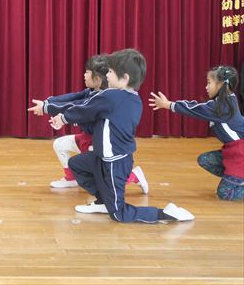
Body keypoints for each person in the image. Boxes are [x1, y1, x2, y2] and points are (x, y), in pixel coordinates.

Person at [49, 49, 194, 223]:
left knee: (119, 214)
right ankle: (103, 201)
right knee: (76, 164)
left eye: (110, 72)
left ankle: (165, 213)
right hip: (104, 158)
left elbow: (85, 108)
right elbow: (91, 111)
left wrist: (62, 118)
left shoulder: (111, 96)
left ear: (124, 78)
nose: (107, 75)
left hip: (114, 163)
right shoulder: (133, 99)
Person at [28, 54, 148, 193]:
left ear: (97, 78)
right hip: (86, 139)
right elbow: (73, 98)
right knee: (60, 144)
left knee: (104, 176)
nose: (84, 75)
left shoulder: (106, 98)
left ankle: (133, 176)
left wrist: (48, 109)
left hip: (99, 144)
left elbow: (78, 106)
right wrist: (48, 103)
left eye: (87, 72)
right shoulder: (92, 92)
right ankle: (71, 178)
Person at [150, 65, 243, 201]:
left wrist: (168, 104)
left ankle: (236, 179)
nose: (206, 87)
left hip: (240, 154)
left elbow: (195, 109)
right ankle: (236, 179)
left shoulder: (222, 106)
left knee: (224, 194)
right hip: (233, 151)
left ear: (221, 84)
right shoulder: (225, 101)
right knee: (205, 160)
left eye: (209, 83)